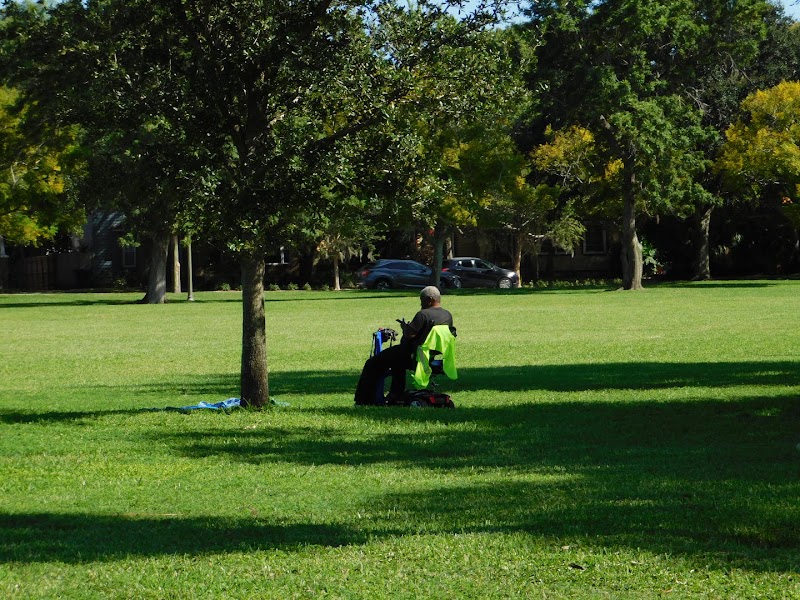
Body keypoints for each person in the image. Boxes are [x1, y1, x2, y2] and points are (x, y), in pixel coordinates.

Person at [354, 285, 455, 405]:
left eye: (422, 300)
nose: (421, 304)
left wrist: (404, 327)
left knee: (372, 363)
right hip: (431, 355)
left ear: (430, 300)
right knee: (397, 363)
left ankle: (365, 399)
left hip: (413, 354)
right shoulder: (447, 315)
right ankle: (395, 394)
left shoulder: (423, 314)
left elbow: (409, 335)